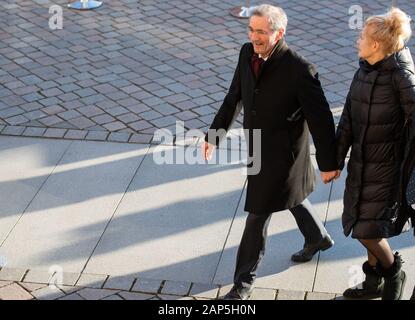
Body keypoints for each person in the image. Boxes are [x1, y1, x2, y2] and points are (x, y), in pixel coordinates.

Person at [202, 4, 339, 300]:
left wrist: (329, 163)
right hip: (257, 148)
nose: (254, 37)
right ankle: (318, 238)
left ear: (279, 33)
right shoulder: (246, 53)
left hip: (285, 155)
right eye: (251, 30)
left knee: (257, 213)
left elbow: (321, 119)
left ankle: (242, 285)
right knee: (290, 197)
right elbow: (234, 96)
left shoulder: (300, 70)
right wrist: (213, 136)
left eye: (261, 32)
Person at [336, 7, 415, 300]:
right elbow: (347, 120)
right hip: (361, 164)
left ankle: (394, 273)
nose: (358, 40)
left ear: (377, 44)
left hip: (387, 168)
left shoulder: (401, 77)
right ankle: (373, 285)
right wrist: (333, 160)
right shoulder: (365, 69)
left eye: (362, 36)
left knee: (368, 230)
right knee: (363, 225)